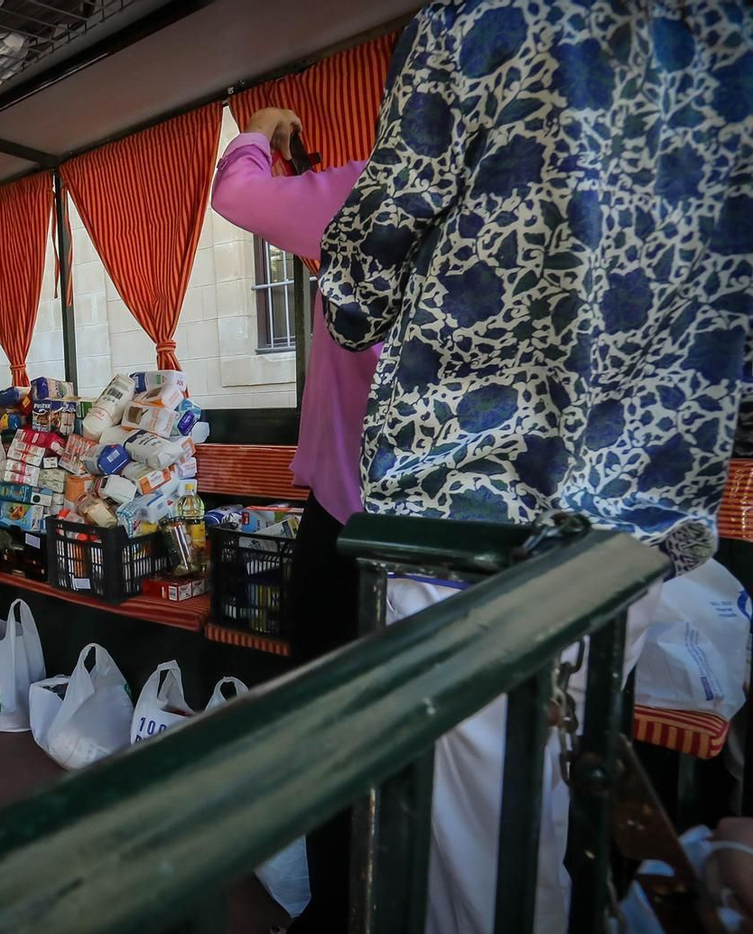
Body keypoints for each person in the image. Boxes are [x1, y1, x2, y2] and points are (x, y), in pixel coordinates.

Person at [319, 4, 753, 932]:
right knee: (555, 799)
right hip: (636, 501)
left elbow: (363, 277)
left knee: (472, 852)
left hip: (470, 489)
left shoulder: (480, 16)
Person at [210, 105, 376, 930]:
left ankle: (338, 908)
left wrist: (262, 134)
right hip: (465, 534)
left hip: (349, 521)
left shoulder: (375, 192)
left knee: (329, 723)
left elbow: (239, 194)